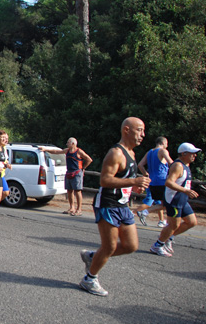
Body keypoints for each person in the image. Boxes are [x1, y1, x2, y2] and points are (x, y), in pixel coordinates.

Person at [78, 117, 150, 297]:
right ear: (126, 130)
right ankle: (89, 279)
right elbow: (104, 180)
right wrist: (134, 180)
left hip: (123, 206)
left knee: (131, 245)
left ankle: (93, 257)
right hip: (107, 205)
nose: (142, 134)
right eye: (139, 130)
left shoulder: (132, 154)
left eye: (143, 131)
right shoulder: (116, 153)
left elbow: (122, 180)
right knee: (109, 247)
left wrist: (134, 186)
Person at [149, 143, 200, 257]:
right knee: (173, 225)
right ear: (184, 153)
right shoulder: (178, 166)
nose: (194, 156)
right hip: (174, 200)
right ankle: (157, 245)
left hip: (182, 200)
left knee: (192, 222)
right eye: (192, 153)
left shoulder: (186, 165)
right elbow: (169, 182)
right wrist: (186, 191)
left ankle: (168, 238)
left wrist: (185, 192)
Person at [39, 138, 93, 216]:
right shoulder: (67, 150)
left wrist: (83, 168)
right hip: (69, 172)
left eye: (68, 143)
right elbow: (56, 152)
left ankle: (79, 209)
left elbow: (89, 159)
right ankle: (72, 208)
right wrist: (45, 149)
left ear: (73, 143)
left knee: (77, 191)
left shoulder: (79, 151)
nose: (67, 144)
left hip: (77, 173)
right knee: (69, 190)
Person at [137, 137, 174, 227]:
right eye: (167, 143)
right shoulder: (162, 151)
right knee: (167, 203)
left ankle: (162, 221)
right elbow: (171, 163)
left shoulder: (149, 152)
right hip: (162, 181)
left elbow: (140, 165)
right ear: (163, 143)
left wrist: (146, 174)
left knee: (160, 203)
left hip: (152, 181)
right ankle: (143, 212)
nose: (167, 145)